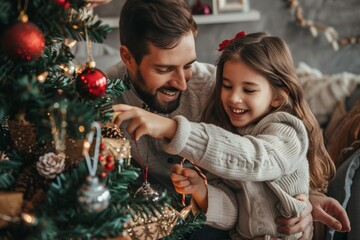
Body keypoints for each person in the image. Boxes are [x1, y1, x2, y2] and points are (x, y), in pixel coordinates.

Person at [108, 0, 350, 238]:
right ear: (128, 58)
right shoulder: (98, 95)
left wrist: (307, 197)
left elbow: (258, 156)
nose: (182, 83)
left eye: (188, 65)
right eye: (164, 69)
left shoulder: (217, 91)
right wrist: (203, 194)